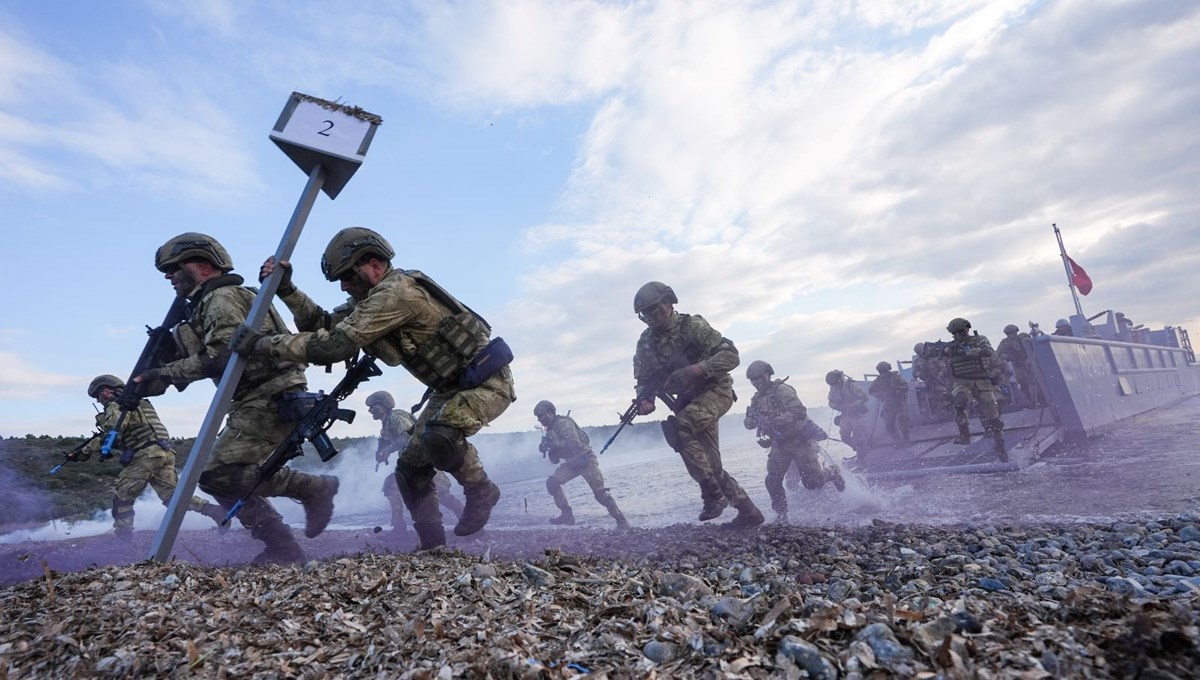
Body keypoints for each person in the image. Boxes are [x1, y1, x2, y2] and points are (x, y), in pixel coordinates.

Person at [237, 227, 514, 550]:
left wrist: (265, 345)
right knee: (409, 469)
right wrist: (287, 290)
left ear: (374, 265)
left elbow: (335, 345)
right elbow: (325, 325)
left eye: (348, 277)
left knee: (441, 435)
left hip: (486, 379)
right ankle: (433, 547)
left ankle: (481, 489)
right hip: (448, 388)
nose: (345, 286)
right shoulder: (370, 300)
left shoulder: (396, 293)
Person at [136, 233, 339, 565]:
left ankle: (305, 504)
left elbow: (222, 355)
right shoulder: (213, 302)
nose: (168, 276)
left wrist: (166, 374)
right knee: (223, 473)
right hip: (259, 397)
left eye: (174, 268)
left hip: (269, 394)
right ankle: (287, 538)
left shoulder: (221, 299)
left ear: (203, 267)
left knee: (218, 475)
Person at [631, 281, 764, 529]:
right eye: (645, 313)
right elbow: (643, 379)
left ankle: (711, 496)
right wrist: (644, 399)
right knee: (711, 466)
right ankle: (749, 512)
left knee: (682, 427)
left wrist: (696, 370)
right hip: (688, 402)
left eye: (654, 309)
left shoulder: (693, 327)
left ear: (669, 303)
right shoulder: (645, 343)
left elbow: (731, 355)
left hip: (715, 391)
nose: (650, 316)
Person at [70, 374, 225, 537]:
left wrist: (84, 452)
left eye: (97, 396)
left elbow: (114, 431)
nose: (98, 400)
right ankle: (216, 512)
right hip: (164, 452)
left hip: (146, 454)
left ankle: (123, 538)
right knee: (172, 497)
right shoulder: (138, 402)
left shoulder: (116, 405)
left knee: (123, 493)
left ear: (107, 391)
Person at [743, 361, 843, 523]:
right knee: (772, 479)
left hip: (799, 440)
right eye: (752, 380)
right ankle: (782, 515)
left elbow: (798, 412)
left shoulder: (783, 390)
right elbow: (748, 423)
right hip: (780, 444)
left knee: (812, 483)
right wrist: (751, 421)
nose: (756, 383)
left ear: (767, 375)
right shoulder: (757, 400)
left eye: (758, 379)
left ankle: (832, 473)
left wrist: (775, 421)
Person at [366, 390, 464, 538]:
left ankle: (471, 527)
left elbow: (409, 437)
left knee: (443, 496)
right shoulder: (386, 424)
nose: (370, 410)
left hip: (424, 461)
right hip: (417, 463)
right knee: (392, 486)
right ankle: (399, 529)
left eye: (374, 406)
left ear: (384, 405)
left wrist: (388, 449)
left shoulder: (396, 417)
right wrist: (383, 451)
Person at [535, 400, 630, 530]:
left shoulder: (564, 423)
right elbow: (555, 460)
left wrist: (553, 445)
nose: (540, 419)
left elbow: (574, 443)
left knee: (600, 494)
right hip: (572, 463)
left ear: (551, 413)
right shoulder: (550, 431)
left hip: (585, 459)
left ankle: (621, 521)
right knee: (552, 482)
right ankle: (567, 515)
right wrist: (547, 448)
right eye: (538, 417)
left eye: (542, 415)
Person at [931, 317, 1007, 460]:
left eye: (961, 331)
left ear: (967, 328)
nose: (959, 335)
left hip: (981, 380)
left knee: (992, 413)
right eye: (955, 333)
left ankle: (999, 442)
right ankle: (964, 435)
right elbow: (934, 354)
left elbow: (987, 351)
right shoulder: (951, 345)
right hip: (962, 381)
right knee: (960, 402)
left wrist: (967, 351)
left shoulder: (979, 340)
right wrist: (946, 350)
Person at [826, 369, 870, 457]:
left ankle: (862, 456)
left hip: (857, 414)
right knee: (844, 437)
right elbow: (831, 402)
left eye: (835, 383)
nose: (834, 385)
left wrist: (854, 406)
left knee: (858, 437)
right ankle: (858, 449)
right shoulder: (834, 389)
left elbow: (864, 397)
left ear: (839, 380)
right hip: (845, 415)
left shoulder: (850, 385)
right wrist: (838, 407)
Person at [996, 324, 1041, 407]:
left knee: (1034, 381)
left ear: (1016, 332)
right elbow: (998, 354)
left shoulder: (1023, 337)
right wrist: (1006, 356)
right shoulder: (1004, 343)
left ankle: (1037, 400)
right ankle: (1031, 401)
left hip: (1029, 362)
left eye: (1012, 333)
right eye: (1009, 334)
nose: (1011, 335)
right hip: (1018, 366)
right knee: (1023, 384)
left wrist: (1029, 359)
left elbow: (1033, 346)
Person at [868, 361, 910, 443]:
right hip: (888, 404)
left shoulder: (896, 377)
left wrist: (899, 389)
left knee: (902, 418)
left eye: (885, 371)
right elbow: (871, 391)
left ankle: (906, 439)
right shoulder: (878, 381)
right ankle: (897, 441)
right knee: (889, 425)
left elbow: (905, 386)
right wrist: (881, 395)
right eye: (882, 371)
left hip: (899, 402)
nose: (884, 373)